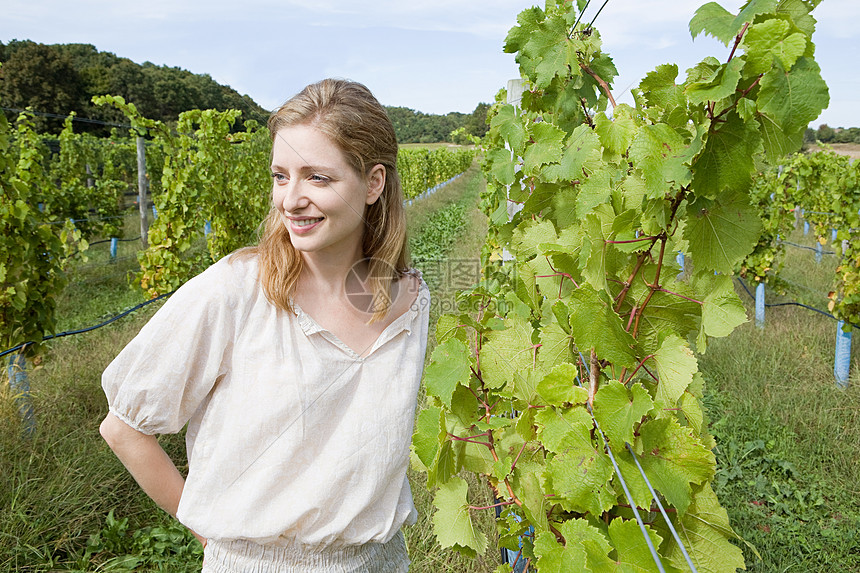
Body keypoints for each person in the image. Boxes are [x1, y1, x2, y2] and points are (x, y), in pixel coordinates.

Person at [99, 78, 430, 572]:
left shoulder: (412, 300)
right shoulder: (235, 292)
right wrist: (220, 543)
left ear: (374, 184)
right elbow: (123, 427)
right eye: (281, 176)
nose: (290, 199)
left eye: (317, 178)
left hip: (382, 561)